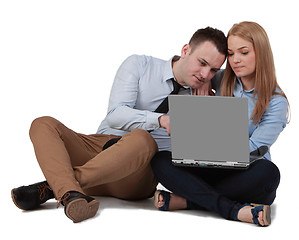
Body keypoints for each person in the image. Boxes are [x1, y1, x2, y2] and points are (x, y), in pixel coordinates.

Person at [11, 27, 227, 223]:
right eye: (202, 63)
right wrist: (161, 119)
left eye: (213, 71)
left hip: (137, 175)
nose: (205, 74)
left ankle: (54, 187)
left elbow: (248, 75)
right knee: (43, 124)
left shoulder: (205, 96)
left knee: (143, 139)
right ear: (186, 50)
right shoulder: (141, 65)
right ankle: (71, 193)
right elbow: (115, 115)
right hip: (99, 150)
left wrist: (208, 101)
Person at [151, 21, 289, 227]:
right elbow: (200, 73)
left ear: (261, 53)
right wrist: (206, 80)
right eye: (231, 54)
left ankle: (190, 200)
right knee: (160, 159)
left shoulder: (276, 102)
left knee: (269, 174)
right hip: (207, 165)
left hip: (245, 171)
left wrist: (214, 155)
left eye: (243, 52)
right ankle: (234, 209)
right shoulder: (223, 79)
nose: (235, 60)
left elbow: (254, 150)